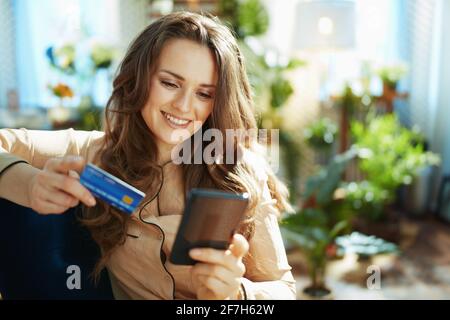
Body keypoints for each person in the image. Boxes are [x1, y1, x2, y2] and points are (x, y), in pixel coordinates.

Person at [0, 12, 296, 300]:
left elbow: (283, 289)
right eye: (170, 83)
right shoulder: (95, 153)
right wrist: (28, 184)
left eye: (204, 94)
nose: (183, 106)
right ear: (139, 78)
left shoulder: (238, 170)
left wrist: (236, 295)